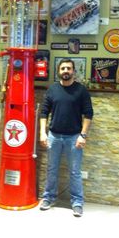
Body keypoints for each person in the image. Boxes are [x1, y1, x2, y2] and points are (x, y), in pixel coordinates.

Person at [39, 58, 93, 217]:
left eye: (68, 68)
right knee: (51, 169)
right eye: (63, 68)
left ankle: (77, 202)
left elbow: (88, 114)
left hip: (74, 138)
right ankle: (48, 197)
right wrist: (43, 132)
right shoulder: (52, 89)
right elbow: (44, 112)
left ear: (73, 71)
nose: (66, 71)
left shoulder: (81, 90)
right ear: (59, 72)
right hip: (54, 136)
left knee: (75, 172)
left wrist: (83, 135)